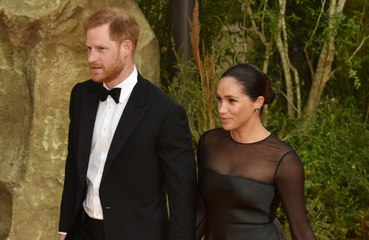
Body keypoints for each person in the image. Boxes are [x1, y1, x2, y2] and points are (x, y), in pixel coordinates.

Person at [58, 7, 197, 240]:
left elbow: (182, 194)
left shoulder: (166, 112)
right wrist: (64, 230)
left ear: (126, 48)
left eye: (101, 49)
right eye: (89, 49)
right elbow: (74, 166)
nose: (91, 58)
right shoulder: (81, 95)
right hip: (82, 231)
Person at [196, 63, 316, 240]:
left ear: (257, 103)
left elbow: (301, 230)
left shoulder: (283, 160)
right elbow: (201, 209)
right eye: (219, 99)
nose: (221, 109)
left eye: (231, 101)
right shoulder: (209, 143)